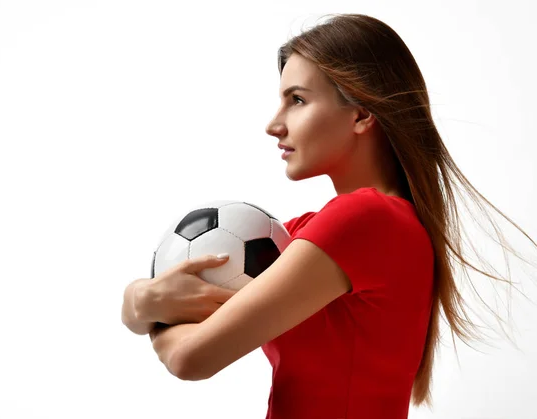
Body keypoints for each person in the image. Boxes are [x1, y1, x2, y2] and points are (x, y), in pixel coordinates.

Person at [121, 13, 536, 419]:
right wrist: (143, 299)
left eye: (297, 100)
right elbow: (179, 323)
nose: (274, 124)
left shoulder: (367, 220)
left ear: (361, 114)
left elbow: (192, 358)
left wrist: (147, 307)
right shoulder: (310, 232)